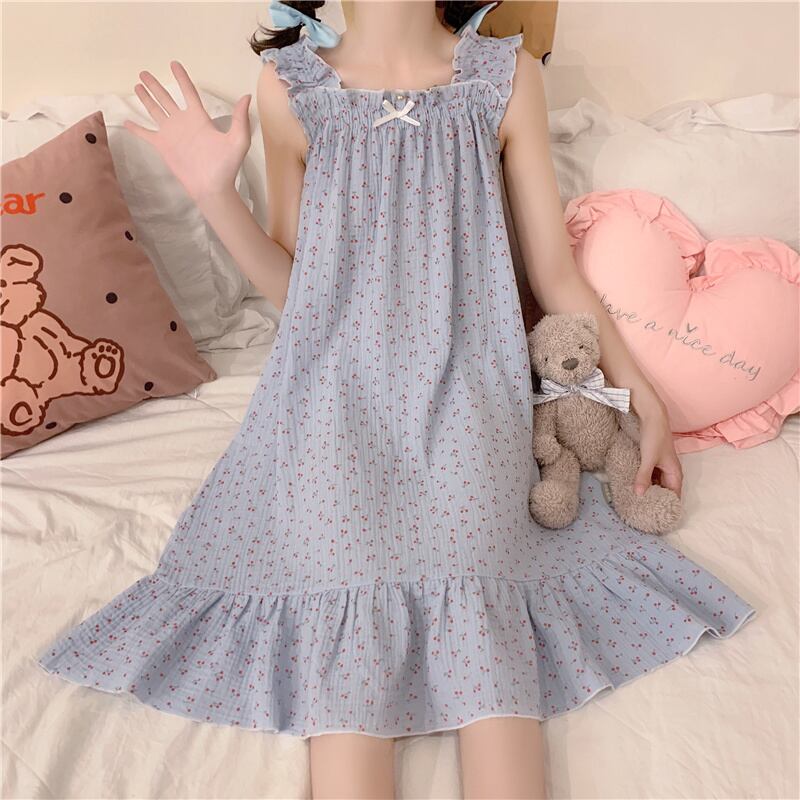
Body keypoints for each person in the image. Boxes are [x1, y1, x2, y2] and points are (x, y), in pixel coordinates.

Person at [37, 1, 756, 797]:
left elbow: (555, 276)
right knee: (345, 634)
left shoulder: (506, 78)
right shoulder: (289, 88)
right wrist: (213, 193)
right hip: (330, 400)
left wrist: (641, 399)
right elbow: (299, 294)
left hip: (469, 397)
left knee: (485, 618)